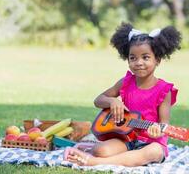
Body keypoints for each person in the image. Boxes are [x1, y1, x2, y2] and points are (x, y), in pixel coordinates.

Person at [65, 22, 181, 166]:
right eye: (133, 58)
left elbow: (164, 124)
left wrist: (157, 131)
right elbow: (98, 100)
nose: (138, 63)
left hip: (151, 142)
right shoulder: (125, 82)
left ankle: (93, 162)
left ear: (157, 60)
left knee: (154, 152)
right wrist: (113, 101)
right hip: (126, 138)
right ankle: (114, 158)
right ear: (127, 60)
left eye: (145, 57)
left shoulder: (164, 89)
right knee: (100, 150)